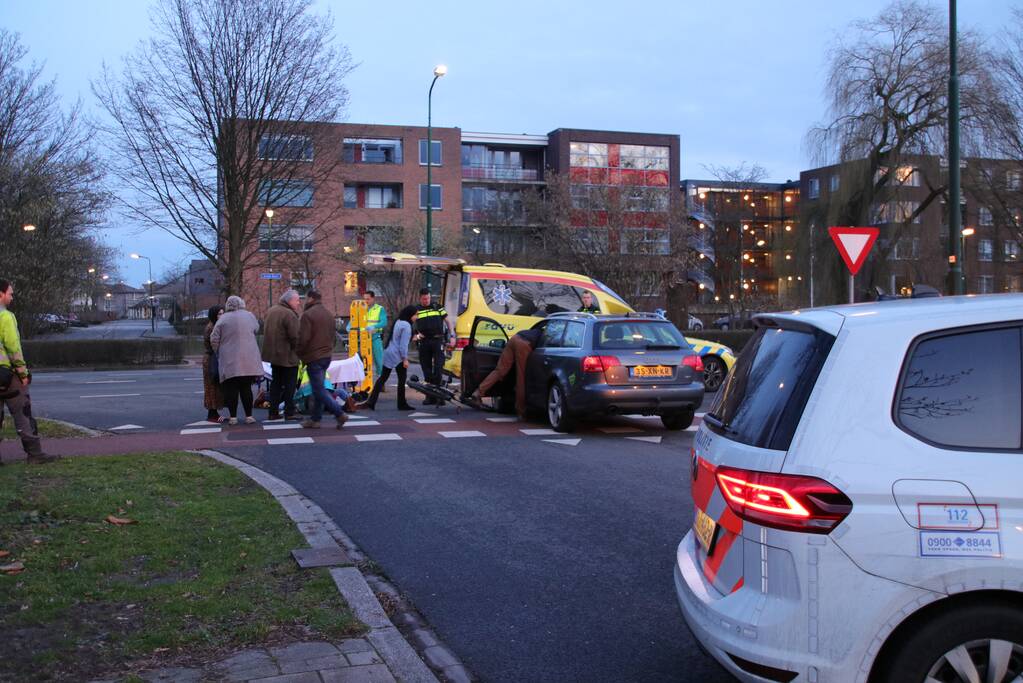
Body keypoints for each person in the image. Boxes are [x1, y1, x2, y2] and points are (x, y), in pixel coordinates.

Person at [0, 279, 55, 464]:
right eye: (10, 293)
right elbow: (13, 348)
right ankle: (35, 454)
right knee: (22, 412)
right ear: (1, 294)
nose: (12, 297)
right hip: (6, 375)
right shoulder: (5, 316)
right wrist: (23, 374)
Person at [297, 290, 348, 429]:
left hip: (314, 356)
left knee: (319, 390)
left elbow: (304, 338)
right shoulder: (328, 314)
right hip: (326, 356)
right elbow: (333, 336)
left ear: (311, 298)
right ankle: (316, 419)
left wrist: (299, 353)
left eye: (306, 298)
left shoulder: (308, 315)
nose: (305, 301)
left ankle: (339, 413)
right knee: (317, 388)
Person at [211, 295, 263, 425]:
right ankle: (249, 416)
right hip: (248, 359)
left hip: (229, 359)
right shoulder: (249, 316)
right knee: (246, 388)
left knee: (231, 389)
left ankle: (233, 417)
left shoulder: (223, 319)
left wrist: (218, 351)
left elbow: (214, 338)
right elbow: (257, 328)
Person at [472, 327, 542, 419]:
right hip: (524, 344)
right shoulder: (547, 334)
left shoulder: (537, 330)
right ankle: (521, 410)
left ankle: (479, 391)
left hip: (515, 338)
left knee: (500, 370)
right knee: (521, 377)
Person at [361, 305, 416, 411]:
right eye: (415, 315)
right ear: (410, 315)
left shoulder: (398, 321)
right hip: (398, 355)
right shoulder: (407, 326)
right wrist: (405, 359)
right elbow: (403, 345)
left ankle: (371, 402)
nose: (416, 317)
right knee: (401, 379)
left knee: (383, 378)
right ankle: (402, 404)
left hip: (389, 352)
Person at [262, 289, 301, 421]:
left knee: (276, 384)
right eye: (297, 300)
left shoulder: (271, 311)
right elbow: (295, 336)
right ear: (289, 301)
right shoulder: (289, 314)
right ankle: (289, 411)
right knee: (290, 384)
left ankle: (273, 411)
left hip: (274, 355)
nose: (299, 303)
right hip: (287, 355)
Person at [413, 288, 454, 406]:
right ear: (420, 298)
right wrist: (415, 335)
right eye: (424, 299)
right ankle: (430, 396)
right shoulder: (417, 310)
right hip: (424, 341)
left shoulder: (437, 307)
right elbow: (410, 323)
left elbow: (448, 321)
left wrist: (452, 335)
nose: (426, 300)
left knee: (438, 368)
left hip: (437, 340)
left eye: (428, 298)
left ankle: (439, 396)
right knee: (426, 369)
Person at [202, 304, 226, 423]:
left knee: (214, 387)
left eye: (223, 313)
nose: (222, 316)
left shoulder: (214, 325)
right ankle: (212, 414)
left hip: (212, 358)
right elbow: (214, 344)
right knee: (212, 387)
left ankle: (214, 412)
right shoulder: (212, 327)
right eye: (219, 314)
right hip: (212, 359)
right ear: (214, 315)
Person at [364, 290, 387, 386]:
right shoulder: (361, 308)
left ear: (373, 298)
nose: (366, 301)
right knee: (363, 361)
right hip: (364, 338)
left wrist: (374, 327)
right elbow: (354, 321)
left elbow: (384, 322)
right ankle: (364, 383)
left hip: (375, 337)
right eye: (364, 299)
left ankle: (381, 384)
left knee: (379, 361)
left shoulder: (379, 309)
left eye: (368, 299)